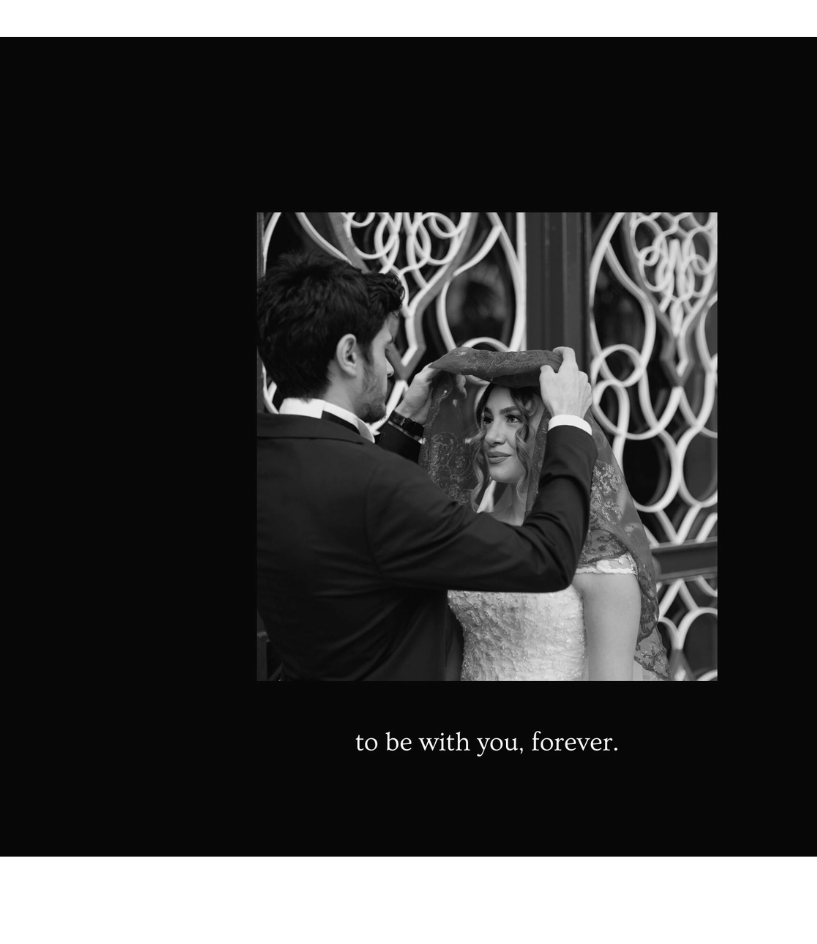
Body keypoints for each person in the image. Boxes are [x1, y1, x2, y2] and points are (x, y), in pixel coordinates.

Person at [256, 250, 597, 681]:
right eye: (384, 349)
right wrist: (568, 422)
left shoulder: (270, 460)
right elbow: (545, 557)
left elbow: (344, 508)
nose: (389, 368)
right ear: (349, 354)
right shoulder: (379, 485)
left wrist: (404, 420)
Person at [419, 347, 671, 681]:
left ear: (551, 427)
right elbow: (452, 656)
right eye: (488, 419)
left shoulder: (601, 556)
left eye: (513, 419)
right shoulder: (476, 528)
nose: (491, 436)